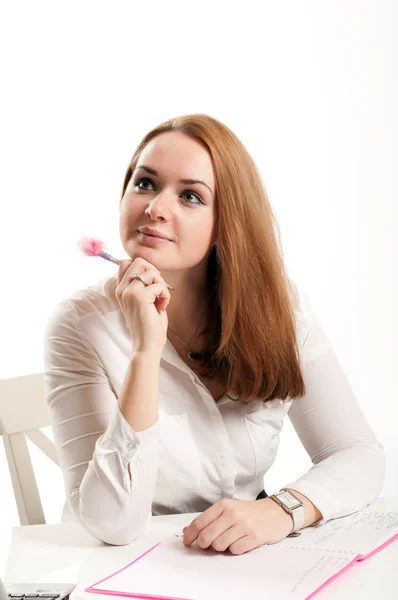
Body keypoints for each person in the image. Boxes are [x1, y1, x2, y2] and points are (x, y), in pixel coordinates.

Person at [43, 113, 385, 554]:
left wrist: (281, 511)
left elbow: (357, 454)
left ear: (227, 221)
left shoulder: (282, 305)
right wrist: (145, 353)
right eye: (145, 183)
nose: (155, 208)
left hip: (240, 561)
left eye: (189, 195)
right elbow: (112, 524)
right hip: (125, 563)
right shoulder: (79, 324)